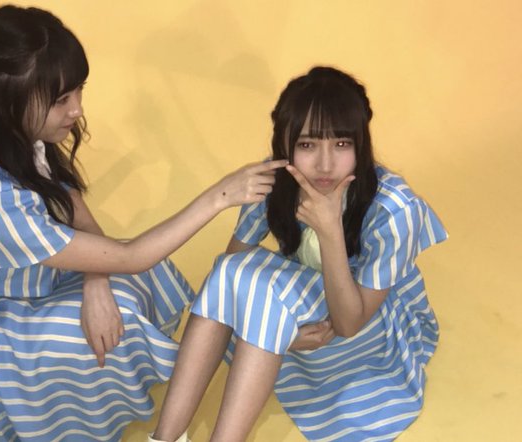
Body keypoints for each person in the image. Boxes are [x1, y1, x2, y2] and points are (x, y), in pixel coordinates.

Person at [0, 5, 286, 442]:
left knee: (125, 288)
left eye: (79, 91)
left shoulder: (22, 146)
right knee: (122, 303)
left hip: (9, 310)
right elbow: (129, 256)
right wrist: (221, 195)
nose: (77, 110)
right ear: (4, 99)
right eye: (61, 100)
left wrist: (96, 281)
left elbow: (79, 215)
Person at [151, 66, 448, 442]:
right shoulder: (278, 178)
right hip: (299, 307)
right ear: (285, 145)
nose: (325, 164)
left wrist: (329, 230)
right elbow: (232, 273)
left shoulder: (395, 208)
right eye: (308, 145)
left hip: (362, 320)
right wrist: (281, 334)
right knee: (231, 270)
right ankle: (164, 438)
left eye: (341, 144)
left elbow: (349, 323)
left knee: (256, 284)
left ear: (361, 144)